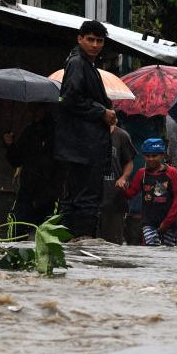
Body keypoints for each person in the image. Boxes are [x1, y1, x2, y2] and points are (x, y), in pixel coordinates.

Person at [55, 19, 116, 238]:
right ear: (80, 39)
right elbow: (70, 98)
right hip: (83, 147)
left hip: (84, 146)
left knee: (77, 197)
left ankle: (72, 242)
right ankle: (81, 242)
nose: (95, 45)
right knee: (84, 198)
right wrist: (101, 112)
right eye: (90, 39)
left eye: (99, 41)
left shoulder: (87, 65)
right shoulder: (78, 63)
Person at [4, 105, 58, 230]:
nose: (34, 112)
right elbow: (17, 160)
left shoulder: (55, 131)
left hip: (48, 192)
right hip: (28, 190)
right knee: (21, 226)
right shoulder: (30, 131)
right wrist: (10, 145)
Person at [122, 138, 177, 246]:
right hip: (149, 223)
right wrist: (122, 185)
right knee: (150, 250)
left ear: (162, 155)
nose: (150, 159)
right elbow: (130, 193)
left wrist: (167, 222)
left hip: (168, 222)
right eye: (147, 156)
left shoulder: (171, 172)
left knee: (169, 252)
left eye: (154, 156)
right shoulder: (142, 173)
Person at [99, 122, 137, 244]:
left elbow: (129, 161)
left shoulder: (121, 135)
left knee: (114, 239)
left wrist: (123, 178)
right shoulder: (91, 133)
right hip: (94, 193)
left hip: (115, 193)